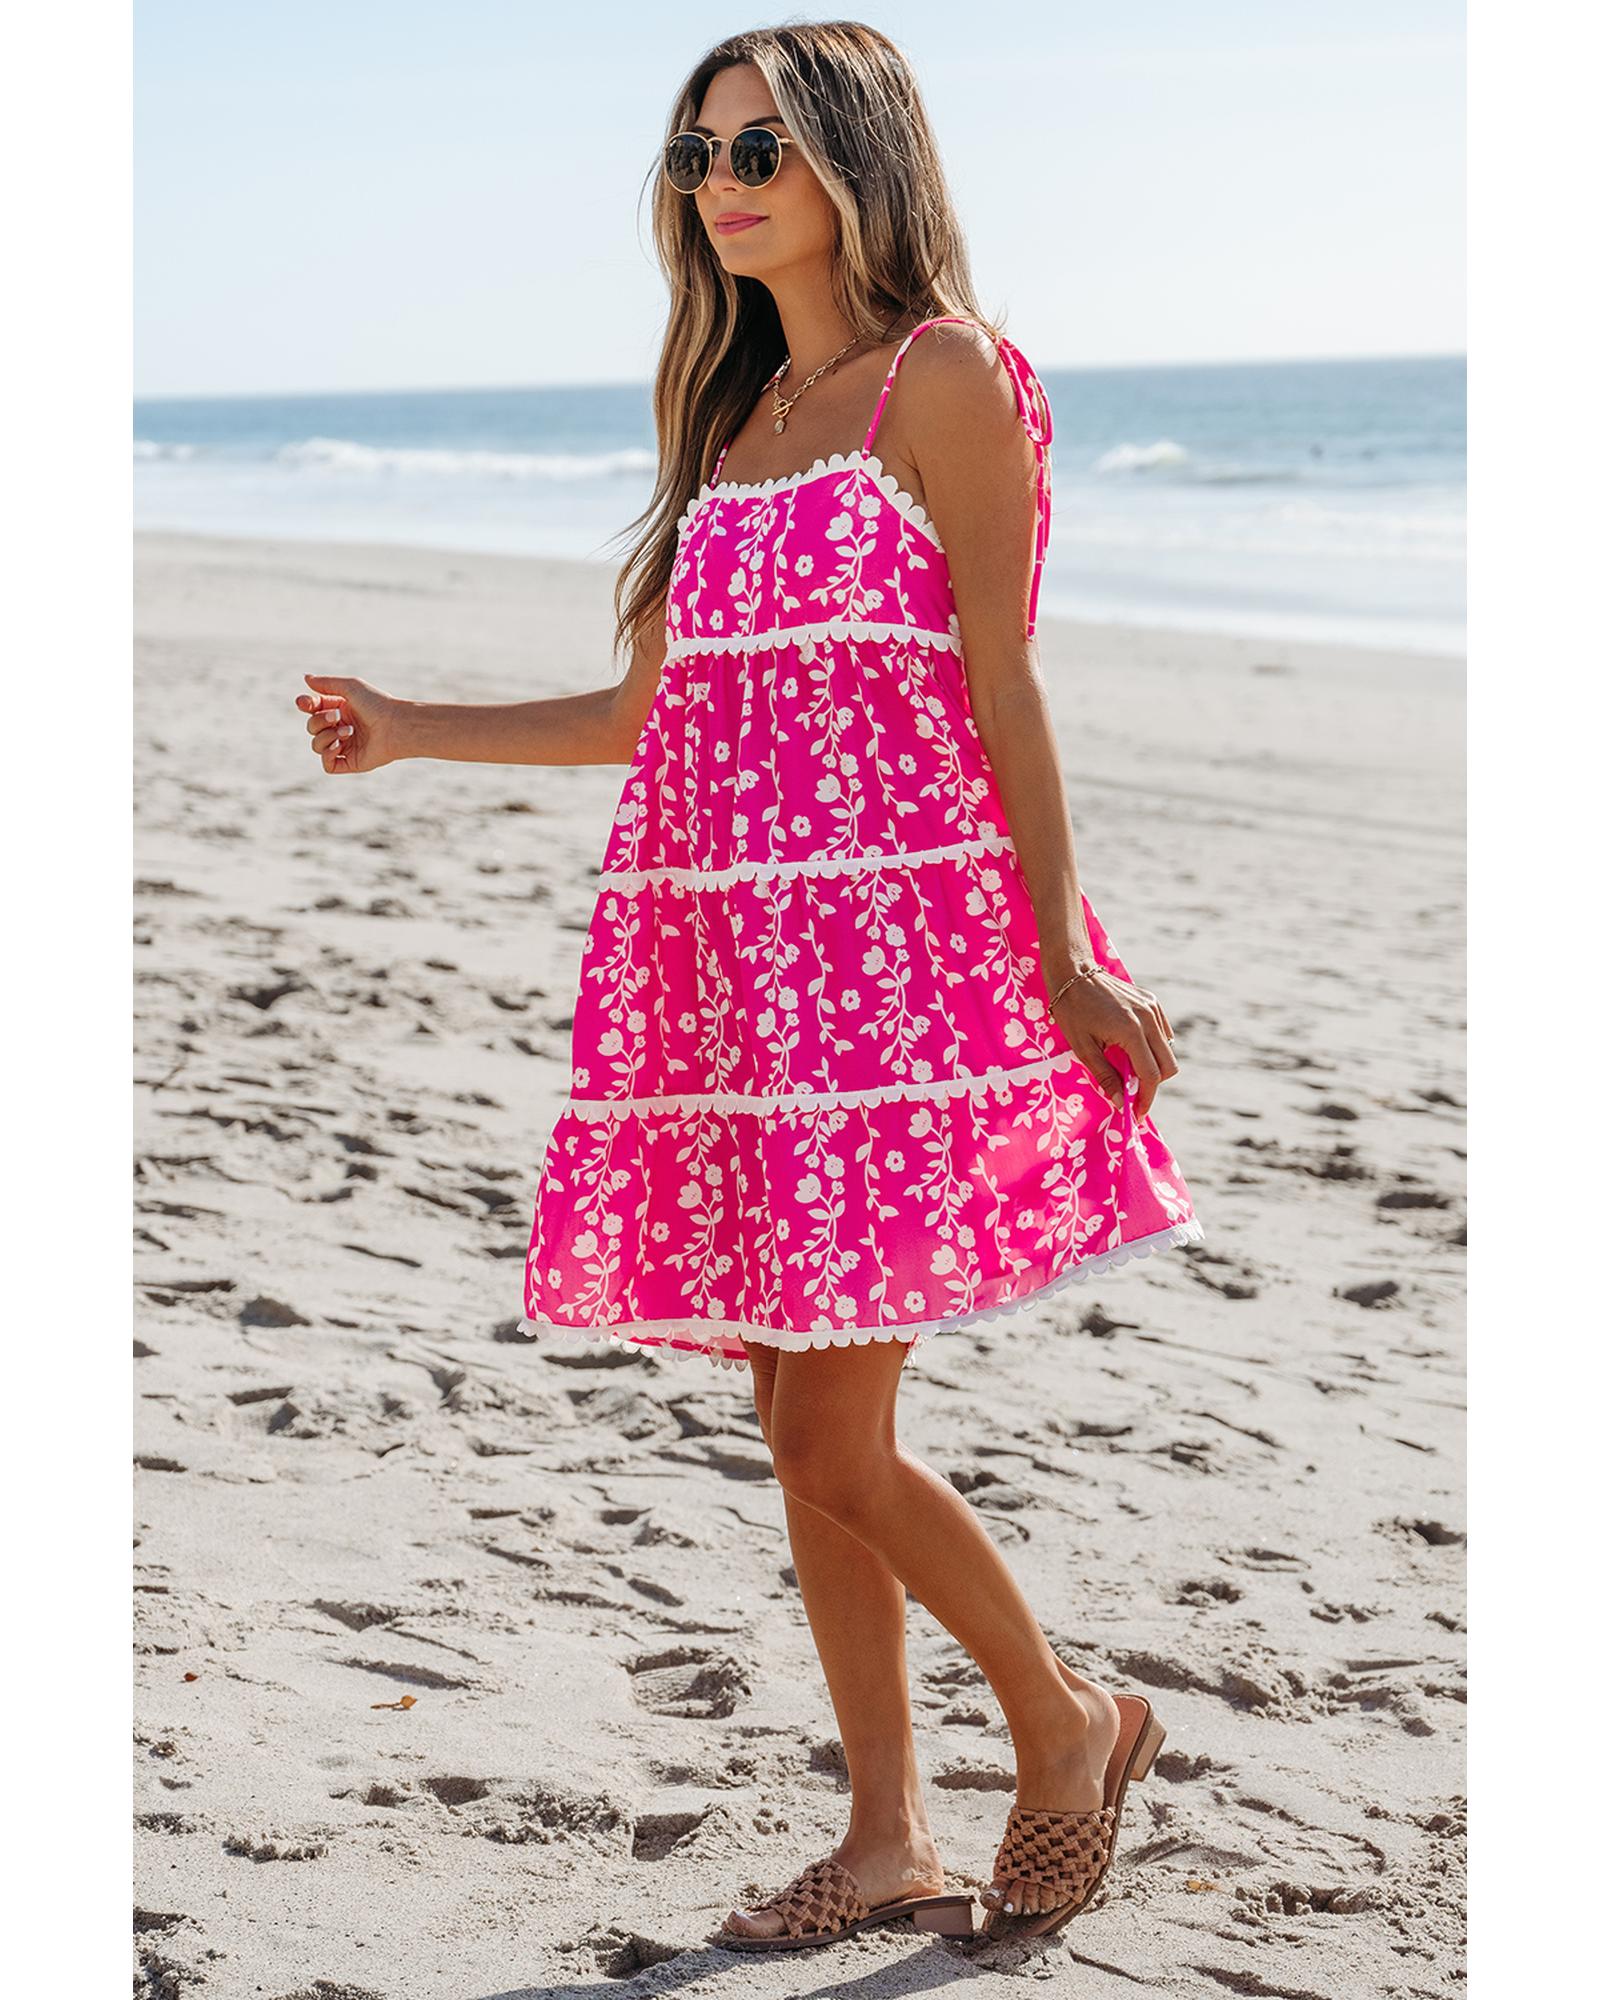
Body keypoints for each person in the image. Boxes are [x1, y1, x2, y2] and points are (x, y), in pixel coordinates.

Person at [293, 19, 1202, 1955]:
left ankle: (1065, 1723)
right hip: (740, 986)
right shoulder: (733, 428)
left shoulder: (942, 380)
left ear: (857, 155)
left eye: (762, 144)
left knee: (822, 1439)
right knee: (797, 1426)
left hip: (897, 987)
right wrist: (410, 725)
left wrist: (1060, 948)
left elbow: (1005, 679)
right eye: (698, 150)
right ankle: (885, 1835)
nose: (723, 181)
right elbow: (648, 715)